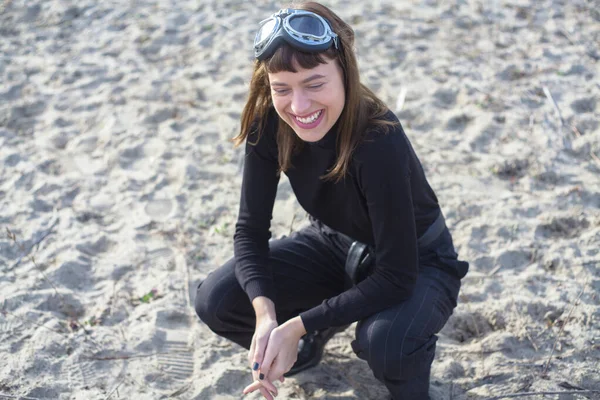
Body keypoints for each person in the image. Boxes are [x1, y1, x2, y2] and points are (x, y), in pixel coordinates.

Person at [194, 2, 469, 399]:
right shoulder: (268, 122)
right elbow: (249, 231)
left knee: (385, 342)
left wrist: (297, 323)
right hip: (334, 245)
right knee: (216, 299)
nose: (299, 106)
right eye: (282, 88)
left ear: (345, 71)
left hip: (418, 261)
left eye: (315, 83)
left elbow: (397, 276)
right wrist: (268, 318)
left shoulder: (379, 138)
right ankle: (306, 346)